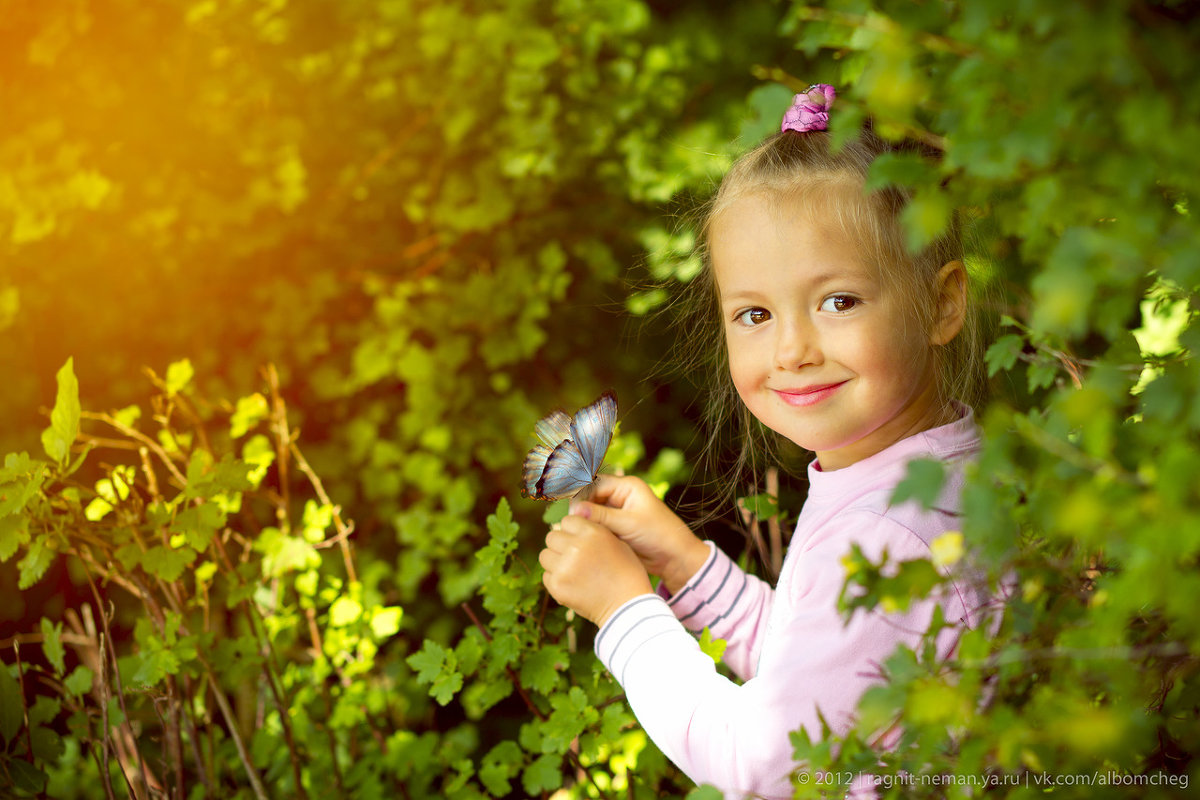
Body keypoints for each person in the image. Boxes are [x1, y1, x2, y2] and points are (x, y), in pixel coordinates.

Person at [538, 84, 995, 799]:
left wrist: (624, 609)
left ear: (941, 303)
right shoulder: (924, 481)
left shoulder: (885, 533)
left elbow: (762, 764)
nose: (791, 350)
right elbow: (810, 666)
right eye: (754, 313)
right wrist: (683, 563)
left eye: (838, 302)